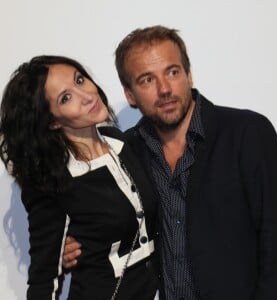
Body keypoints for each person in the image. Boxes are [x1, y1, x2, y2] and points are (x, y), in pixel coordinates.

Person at [63, 25, 277, 299]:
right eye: (146, 80)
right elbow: (113, 225)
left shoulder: (247, 132)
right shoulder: (125, 153)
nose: (164, 89)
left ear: (188, 74)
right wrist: (72, 246)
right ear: (130, 95)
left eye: (172, 72)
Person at [0, 55, 159, 300]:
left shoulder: (120, 141)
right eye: (66, 98)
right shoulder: (52, 182)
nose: (86, 95)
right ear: (52, 121)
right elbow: (44, 280)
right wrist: (58, 253)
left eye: (80, 80)